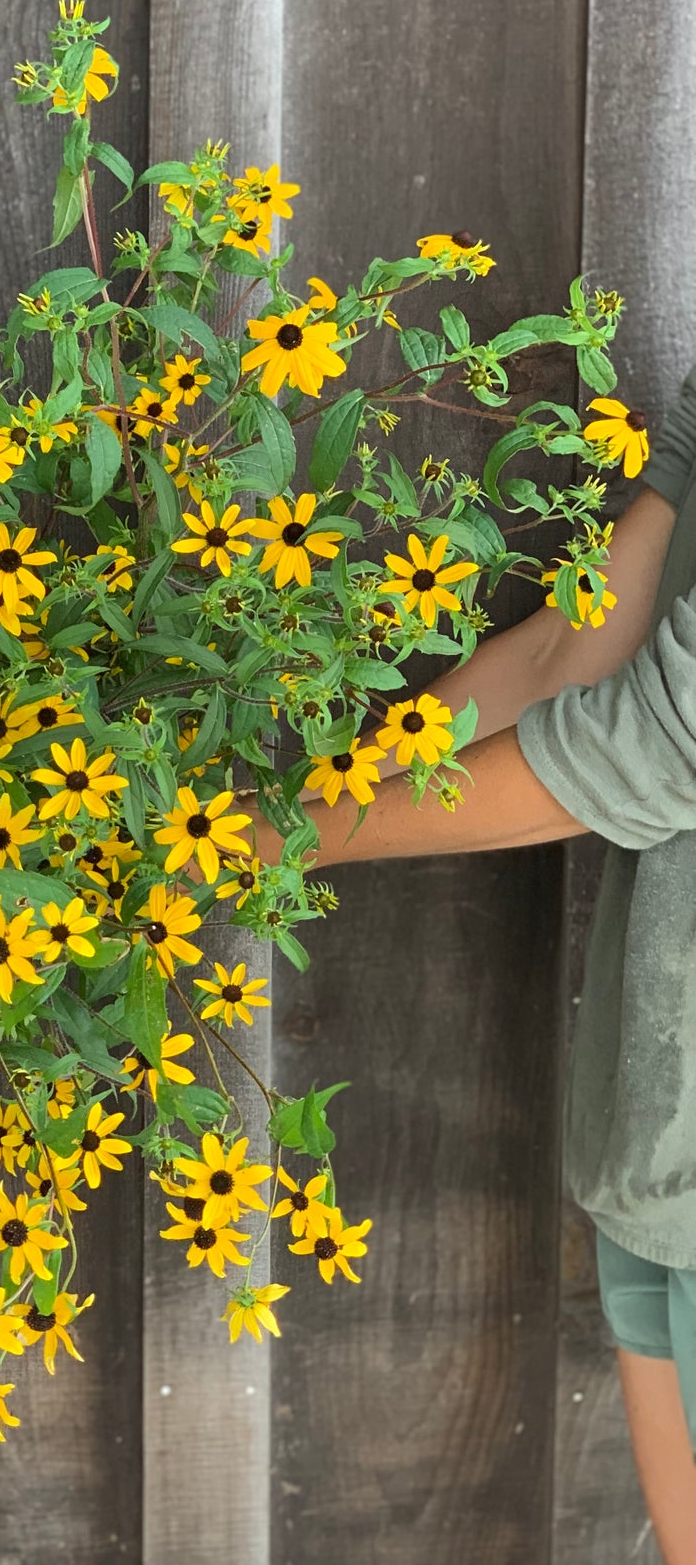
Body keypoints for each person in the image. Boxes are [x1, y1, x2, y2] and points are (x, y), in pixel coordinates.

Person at [246, 364, 696, 1560]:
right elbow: (573, 647)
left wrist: (254, 848)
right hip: (661, 1123)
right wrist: (314, 785)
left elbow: (656, 745)